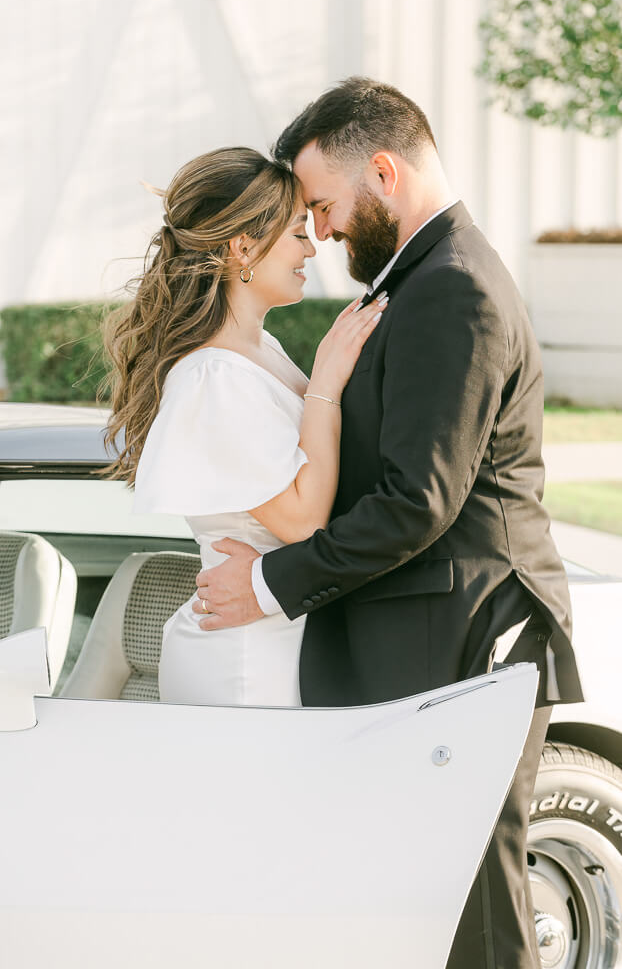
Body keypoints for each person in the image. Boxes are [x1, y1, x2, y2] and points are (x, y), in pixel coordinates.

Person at [196, 77, 583, 969]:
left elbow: (421, 500)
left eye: (325, 206)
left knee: (475, 914)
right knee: (414, 908)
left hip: (466, 644)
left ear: (382, 170)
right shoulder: (416, 283)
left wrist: (264, 587)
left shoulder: (454, 288)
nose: (321, 231)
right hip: (421, 640)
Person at [103, 146, 387, 705]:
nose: (312, 248)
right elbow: (303, 523)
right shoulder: (215, 375)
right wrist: (327, 380)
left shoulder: (261, 350)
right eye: (298, 232)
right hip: (245, 658)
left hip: (278, 636)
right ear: (243, 247)